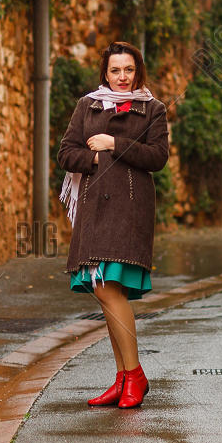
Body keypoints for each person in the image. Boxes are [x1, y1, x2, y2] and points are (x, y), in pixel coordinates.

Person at [56, 41, 170, 408]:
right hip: (93, 212)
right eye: (115, 70)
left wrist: (113, 143)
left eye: (129, 70)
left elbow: (157, 157)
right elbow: (65, 153)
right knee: (104, 292)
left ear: (138, 72)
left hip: (130, 211)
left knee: (109, 290)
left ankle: (134, 374)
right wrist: (94, 160)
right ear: (105, 73)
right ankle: (123, 378)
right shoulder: (87, 105)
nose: (122, 77)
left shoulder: (153, 109)